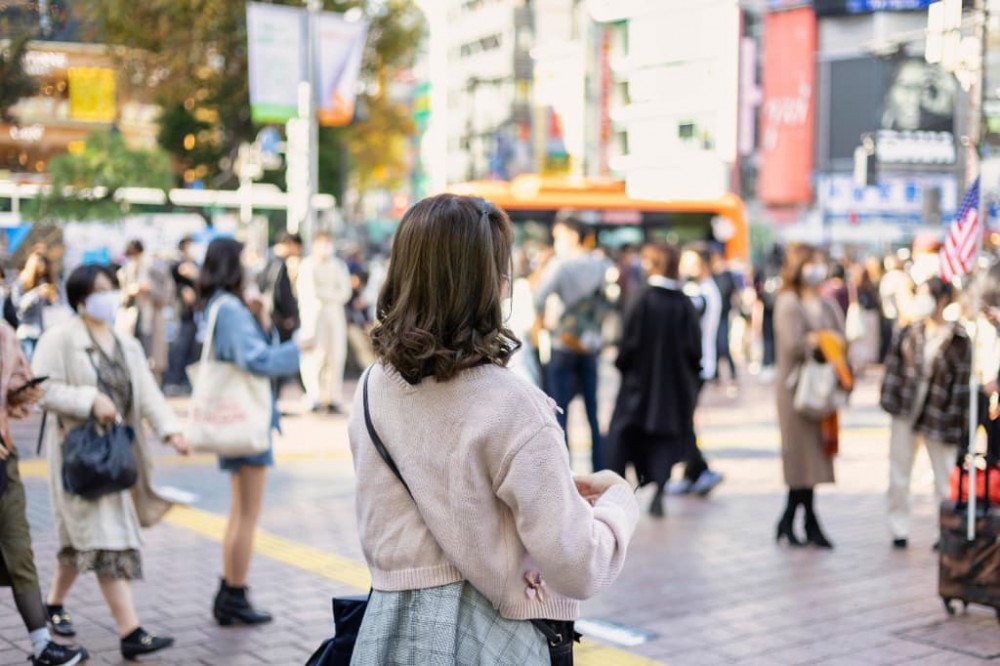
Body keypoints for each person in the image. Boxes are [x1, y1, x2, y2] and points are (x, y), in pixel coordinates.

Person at [350, 194, 639, 663]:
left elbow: (435, 485)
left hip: (386, 633)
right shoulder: (513, 404)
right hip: (486, 640)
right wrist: (619, 503)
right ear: (488, 285)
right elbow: (579, 565)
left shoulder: (372, 386)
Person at [32, 264, 190, 660]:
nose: (108, 296)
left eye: (111, 288)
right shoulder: (60, 339)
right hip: (81, 456)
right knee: (106, 542)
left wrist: (171, 430)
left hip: (116, 455)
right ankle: (130, 631)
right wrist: (89, 401)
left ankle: (52, 605)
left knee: (82, 539)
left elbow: (149, 395)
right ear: (81, 297)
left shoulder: (127, 344)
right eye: (99, 290)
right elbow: (41, 390)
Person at [197, 238, 303, 625]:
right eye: (244, 259)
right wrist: (298, 349)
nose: (249, 266)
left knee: (240, 511)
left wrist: (260, 318)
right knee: (246, 513)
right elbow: (256, 359)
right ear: (231, 265)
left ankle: (231, 591)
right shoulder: (229, 308)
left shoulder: (223, 306)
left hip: (237, 417)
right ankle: (233, 594)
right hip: (245, 419)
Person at [0, 319, 89, 665]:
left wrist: (22, 393)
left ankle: (42, 644)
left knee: (18, 548)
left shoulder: (4, 334)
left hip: (3, 459)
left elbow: (14, 388)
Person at [606, 243, 701, 518]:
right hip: (673, 387)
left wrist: (624, 366)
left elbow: (628, 342)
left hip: (639, 385)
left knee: (628, 434)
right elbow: (694, 351)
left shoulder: (642, 297)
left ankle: (620, 492)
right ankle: (660, 484)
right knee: (665, 439)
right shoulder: (683, 303)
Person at [880, 277, 970, 549]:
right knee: (899, 471)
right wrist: (890, 402)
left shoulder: (959, 338)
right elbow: (893, 369)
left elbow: (961, 385)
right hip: (906, 408)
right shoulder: (909, 331)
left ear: (942, 299)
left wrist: (958, 424)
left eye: (926, 294)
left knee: (944, 475)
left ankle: (945, 530)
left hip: (939, 414)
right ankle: (899, 529)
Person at [773, 244, 847, 549]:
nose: (817, 270)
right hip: (796, 391)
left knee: (814, 458)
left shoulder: (826, 302)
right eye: (812, 264)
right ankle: (804, 520)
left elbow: (841, 338)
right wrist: (818, 341)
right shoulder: (788, 301)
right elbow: (792, 344)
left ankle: (792, 519)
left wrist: (824, 341)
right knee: (800, 457)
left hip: (822, 390)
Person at [533, 211, 611, 471]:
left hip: (563, 344)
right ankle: (598, 468)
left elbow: (539, 299)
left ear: (573, 236)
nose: (556, 242)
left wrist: (546, 322)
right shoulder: (600, 264)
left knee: (559, 413)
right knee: (592, 412)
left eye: (559, 236)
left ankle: (564, 473)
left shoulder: (561, 265)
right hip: (589, 345)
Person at [671, 243, 725, 496]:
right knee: (685, 420)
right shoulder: (700, 290)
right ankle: (692, 473)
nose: (685, 268)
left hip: (697, 366)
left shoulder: (701, 294)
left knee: (684, 421)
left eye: (691, 263)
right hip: (698, 364)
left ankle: (701, 469)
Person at [296, 232, 352, 413]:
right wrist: (330, 293)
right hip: (314, 317)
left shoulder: (338, 265)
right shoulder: (307, 265)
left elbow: (345, 292)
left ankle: (333, 396)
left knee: (336, 355)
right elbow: (310, 292)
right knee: (314, 356)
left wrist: (326, 294)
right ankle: (313, 395)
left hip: (335, 316)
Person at [117, 240, 174, 384]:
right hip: (132, 319)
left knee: (154, 358)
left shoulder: (156, 270)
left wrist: (150, 290)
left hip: (152, 319)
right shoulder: (125, 272)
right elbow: (120, 297)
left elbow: (168, 295)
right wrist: (130, 292)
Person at [163, 236, 201, 395]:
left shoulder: (194, 265)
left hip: (193, 314)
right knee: (179, 347)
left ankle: (185, 381)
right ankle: (173, 381)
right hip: (181, 312)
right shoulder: (177, 265)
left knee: (190, 349)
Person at [12, 250, 58, 362]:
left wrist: (51, 298)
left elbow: (51, 307)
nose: (42, 275)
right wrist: (37, 293)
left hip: (42, 333)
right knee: (29, 368)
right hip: (27, 332)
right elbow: (19, 307)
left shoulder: (43, 283)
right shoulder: (21, 283)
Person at [257, 232, 302, 345]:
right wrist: (288, 315)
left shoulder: (267, 258)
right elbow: (282, 292)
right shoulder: (278, 264)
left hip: (268, 316)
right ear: (290, 244)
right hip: (278, 318)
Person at [711, 248, 738, 384]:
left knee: (724, 344)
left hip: (724, 314)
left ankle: (732, 374)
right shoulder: (711, 276)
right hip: (714, 314)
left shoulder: (726, 275)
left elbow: (732, 291)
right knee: (714, 344)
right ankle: (716, 375)